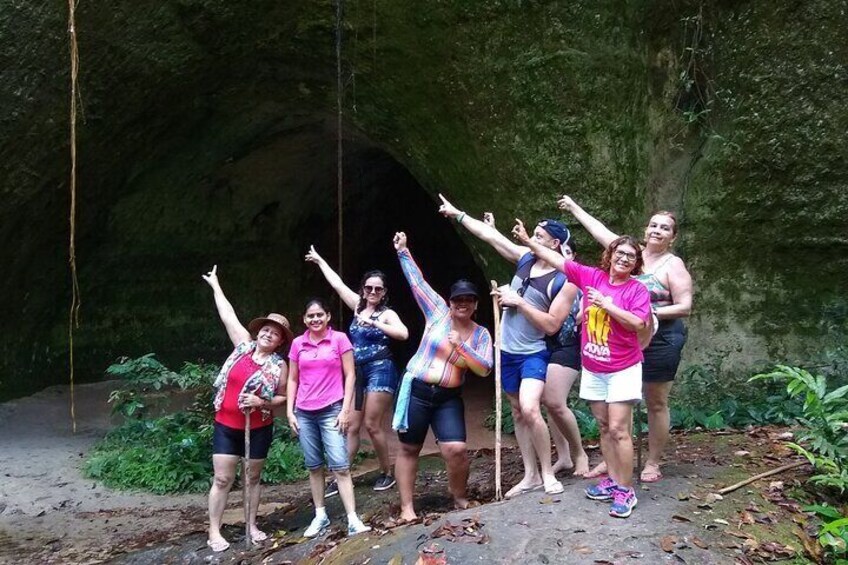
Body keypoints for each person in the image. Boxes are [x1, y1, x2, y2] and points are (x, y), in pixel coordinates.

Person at [438, 195, 576, 497]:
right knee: (516, 411)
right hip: (508, 350)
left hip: (533, 351)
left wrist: (519, 302)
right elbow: (490, 236)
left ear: (554, 244)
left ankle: (547, 473)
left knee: (530, 408)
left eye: (538, 237)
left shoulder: (565, 279)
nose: (530, 239)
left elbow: (552, 324)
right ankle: (530, 476)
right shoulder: (526, 259)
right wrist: (457, 213)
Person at [514, 221, 652, 518]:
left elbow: (638, 323)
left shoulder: (636, 289)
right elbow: (556, 259)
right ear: (610, 255)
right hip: (594, 366)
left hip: (623, 367)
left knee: (618, 428)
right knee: (603, 426)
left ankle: (626, 490)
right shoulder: (591, 276)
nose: (624, 259)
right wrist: (529, 241)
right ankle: (613, 481)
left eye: (631, 256)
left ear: (636, 263)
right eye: (620, 253)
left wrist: (607, 304)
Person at [558, 196, 693, 483]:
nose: (657, 230)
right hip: (619, 340)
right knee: (620, 403)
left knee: (656, 401)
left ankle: (653, 462)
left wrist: (641, 310)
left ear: (673, 237)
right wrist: (573, 208)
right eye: (653, 225)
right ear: (645, 230)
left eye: (665, 228)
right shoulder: (631, 255)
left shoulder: (673, 265)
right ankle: (617, 461)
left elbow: (685, 306)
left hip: (661, 338)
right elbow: (599, 230)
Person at [391, 232, 493, 521]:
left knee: (456, 449)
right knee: (409, 447)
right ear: (449, 301)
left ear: (475, 304)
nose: (462, 304)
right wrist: (403, 252)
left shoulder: (481, 334)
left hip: (448, 397)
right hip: (418, 389)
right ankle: (407, 508)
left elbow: (484, 368)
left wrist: (461, 347)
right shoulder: (437, 313)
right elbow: (417, 284)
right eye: (457, 299)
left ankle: (459, 498)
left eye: (468, 300)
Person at [481, 212, 589, 477]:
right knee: (539, 402)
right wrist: (485, 227)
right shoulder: (532, 263)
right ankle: (562, 456)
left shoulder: (571, 279)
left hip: (563, 344)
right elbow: (501, 244)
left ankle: (579, 453)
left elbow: (571, 316)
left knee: (553, 401)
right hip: (540, 342)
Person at [202, 265, 293, 552]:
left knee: (252, 478)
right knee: (223, 477)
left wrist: (261, 403)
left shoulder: (280, 366)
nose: (268, 334)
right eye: (266, 330)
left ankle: (251, 524)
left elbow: (284, 398)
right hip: (227, 424)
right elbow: (227, 316)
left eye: (275, 333)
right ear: (259, 332)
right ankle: (214, 531)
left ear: (280, 341)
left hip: (258, 427)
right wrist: (216, 286)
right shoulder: (242, 346)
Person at [305, 246, 409, 493]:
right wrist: (320, 261)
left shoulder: (387, 314)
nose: (373, 292)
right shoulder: (357, 306)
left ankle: (387, 472)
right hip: (357, 371)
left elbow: (403, 333)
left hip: (381, 369)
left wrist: (374, 322)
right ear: (363, 289)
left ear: (384, 293)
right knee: (351, 424)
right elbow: (338, 285)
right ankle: (342, 473)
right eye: (369, 288)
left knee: (372, 425)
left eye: (378, 289)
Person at [286, 299, 371, 538]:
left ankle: (353, 519)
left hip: (332, 409)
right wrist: (290, 411)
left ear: (328, 316)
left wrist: (346, 409)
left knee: (340, 466)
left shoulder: (339, 339)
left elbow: (351, 374)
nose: (315, 319)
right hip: (304, 411)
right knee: (314, 466)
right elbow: (292, 378)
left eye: (319, 315)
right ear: (304, 319)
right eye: (310, 316)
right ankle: (320, 515)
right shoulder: (297, 344)